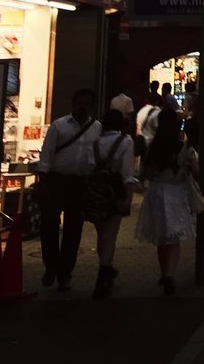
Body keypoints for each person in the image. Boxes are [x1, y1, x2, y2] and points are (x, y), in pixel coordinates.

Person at [37, 87, 101, 291]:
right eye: (79, 103)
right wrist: (43, 181)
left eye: (86, 103)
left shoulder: (96, 127)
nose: (82, 107)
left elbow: (96, 154)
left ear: (91, 106)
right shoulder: (59, 126)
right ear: (73, 104)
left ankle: (65, 272)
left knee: (74, 230)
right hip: (56, 181)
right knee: (49, 225)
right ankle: (51, 265)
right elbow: (46, 154)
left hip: (80, 183)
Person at [134, 107, 198, 296]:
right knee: (174, 238)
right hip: (176, 193)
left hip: (156, 193)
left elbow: (144, 174)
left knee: (161, 237)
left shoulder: (153, 146)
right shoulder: (183, 147)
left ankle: (164, 273)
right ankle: (170, 273)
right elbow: (196, 172)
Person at [90, 108, 136, 299]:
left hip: (95, 191)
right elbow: (127, 173)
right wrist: (128, 197)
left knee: (101, 234)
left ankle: (106, 269)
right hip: (115, 191)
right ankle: (103, 274)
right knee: (110, 234)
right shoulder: (125, 142)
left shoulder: (95, 142)